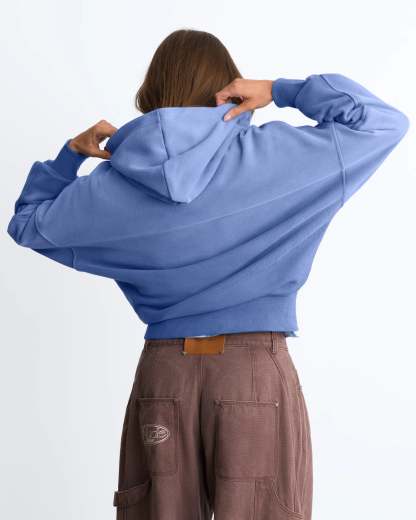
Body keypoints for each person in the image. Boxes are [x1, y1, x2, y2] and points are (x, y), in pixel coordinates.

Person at [7, 29, 409, 520]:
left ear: (152, 93)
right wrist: (280, 89)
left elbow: (28, 224)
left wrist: (70, 154)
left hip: (165, 376)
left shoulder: (111, 186)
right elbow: (382, 123)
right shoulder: (277, 155)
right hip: (253, 373)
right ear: (227, 88)